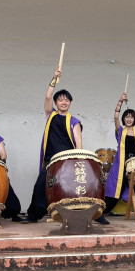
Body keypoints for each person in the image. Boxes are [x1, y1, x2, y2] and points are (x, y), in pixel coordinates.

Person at [24, 66, 82, 222]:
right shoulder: (51, 115)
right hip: (51, 160)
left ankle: (85, 214)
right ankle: (34, 216)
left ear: (70, 103)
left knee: (73, 188)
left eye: (67, 100)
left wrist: (77, 162)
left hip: (68, 161)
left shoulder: (74, 122)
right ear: (56, 102)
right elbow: (47, 96)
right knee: (40, 186)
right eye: (60, 100)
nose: (64, 102)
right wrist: (54, 79)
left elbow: (79, 145)